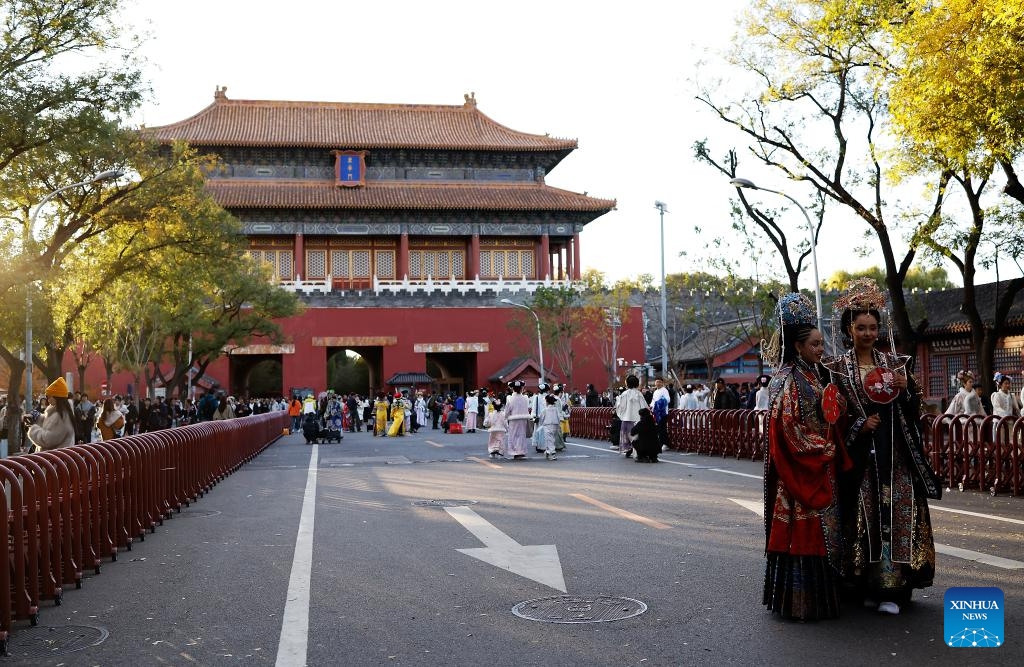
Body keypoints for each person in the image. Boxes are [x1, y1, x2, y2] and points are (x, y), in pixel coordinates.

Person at [826, 278, 941, 616]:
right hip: (860, 458)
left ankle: (892, 589)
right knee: (863, 518)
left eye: (873, 327)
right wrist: (860, 425)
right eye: (861, 327)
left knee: (894, 516)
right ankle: (863, 585)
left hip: (895, 454)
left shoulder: (895, 365)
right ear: (849, 329)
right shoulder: (837, 370)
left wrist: (906, 390)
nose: (867, 333)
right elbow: (832, 414)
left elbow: (914, 409)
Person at [761, 293, 844, 621]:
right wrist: (819, 447)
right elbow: (788, 427)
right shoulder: (787, 379)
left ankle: (821, 599)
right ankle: (800, 603)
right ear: (797, 346)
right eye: (815, 344)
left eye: (822, 344)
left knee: (820, 531)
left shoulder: (814, 374)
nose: (820, 350)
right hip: (800, 466)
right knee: (803, 532)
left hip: (820, 463)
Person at [26, 378, 77, 451]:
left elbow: (48, 440)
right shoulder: (60, 413)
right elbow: (50, 424)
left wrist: (33, 430)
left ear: (57, 397)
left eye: (49, 397)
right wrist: (38, 418)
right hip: (55, 457)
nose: (48, 400)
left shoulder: (62, 416)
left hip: (56, 459)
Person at [614, 375, 646, 458]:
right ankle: (636, 450)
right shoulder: (639, 394)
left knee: (627, 435)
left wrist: (617, 401)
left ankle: (629, 449)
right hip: (637, 418)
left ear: (627, 383)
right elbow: (644, 406)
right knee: (636, 436)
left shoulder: (625, 394)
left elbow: (621, 406)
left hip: (627, 418)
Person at [504, 380, 531, 459]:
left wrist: (505, 417)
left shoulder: (510, 398)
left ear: (513, 389)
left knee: (514, 435)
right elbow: (527, 408)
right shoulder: (525, 398)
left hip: (514, 419)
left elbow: (507, 410)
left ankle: (515, 451)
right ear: (521, 388)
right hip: (523, 419)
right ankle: (521, 451)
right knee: (521, 435)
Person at [539, 394, 561, 460]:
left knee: (549, 440)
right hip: (555, 425)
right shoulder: (556, 409)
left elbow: (541, 418)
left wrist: (541, 424)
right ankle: (548, 452)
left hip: (547, 426)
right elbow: (559, 417)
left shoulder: (545, 410)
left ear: (547, 402)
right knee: (552, 439)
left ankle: (552, 453)